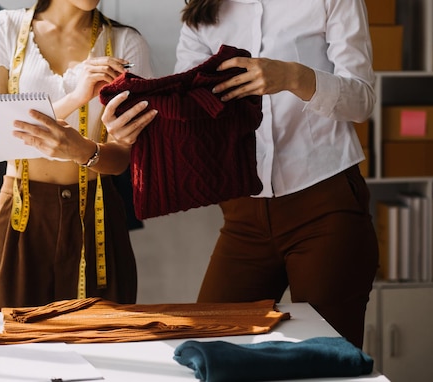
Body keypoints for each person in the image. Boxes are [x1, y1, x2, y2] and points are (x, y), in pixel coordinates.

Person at [103, 0, 378, 349]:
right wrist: (129, 126)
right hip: (243, 218)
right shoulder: (203, 12)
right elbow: (190, 116)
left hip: (325, 208)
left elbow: (362, 101)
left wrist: (295, 77)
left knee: (328, 357)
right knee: (209, 347)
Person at [0, 0, 156, 311]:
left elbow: (123, 157)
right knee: (12, 353)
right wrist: (76, 98)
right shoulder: (3, 29)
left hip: (97, 214)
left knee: (101, 351)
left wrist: (80, 150)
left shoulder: (126, 43)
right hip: (20, 214)